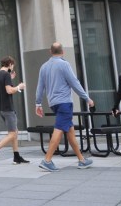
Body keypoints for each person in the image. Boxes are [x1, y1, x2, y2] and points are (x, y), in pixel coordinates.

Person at [34, 42, 95, 171]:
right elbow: (75, 83)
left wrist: (38, 103)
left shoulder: (43, 67)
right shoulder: (64, 64)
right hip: (64, 103)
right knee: (59, 129)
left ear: (50, 52)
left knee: (70, 131)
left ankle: (81, 160)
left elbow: (40, 87)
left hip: (54, 104)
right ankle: (47, 160)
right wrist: (87, 98)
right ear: (62, 52)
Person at [0, 56, 28, 166]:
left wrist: (10, 79)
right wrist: (19, 87)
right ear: (10, 64)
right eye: (12, 65)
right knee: (12, 134)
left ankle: (16, 156)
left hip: (1, 108)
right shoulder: (6, 75)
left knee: (14, 132)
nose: (13, 67)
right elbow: (9, 91)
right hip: (8, 108)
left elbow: (3, 88)